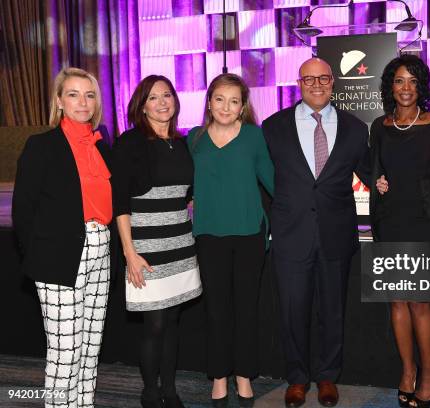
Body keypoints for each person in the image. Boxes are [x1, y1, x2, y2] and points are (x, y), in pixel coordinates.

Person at [262, 57, 369, 408]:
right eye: (310, 79)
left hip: (336, 234)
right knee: (293, 311)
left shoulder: (356, 129)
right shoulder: (273, 126)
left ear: (333, 82)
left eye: (324, 78)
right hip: (291, 235)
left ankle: (327, 377)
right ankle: (297, 378)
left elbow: (372, 174)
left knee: (332, 311)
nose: (317, 84)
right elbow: (262, 180)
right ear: (299, 82)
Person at [12, 67, 113, 407]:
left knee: (90, 346)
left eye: (89, 94)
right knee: (66, 351)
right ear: (59, 100)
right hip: (58, 257)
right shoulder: (42, 145)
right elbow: (23, 211)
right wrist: (41, 258)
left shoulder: (101, 144)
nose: (82, 102)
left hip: (102, 250)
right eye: (73, 94)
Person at [112, 75, 202, 408]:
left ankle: (170, 389)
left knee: (174, 321)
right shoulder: (130, 142)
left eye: (167, 95)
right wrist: (129, 253)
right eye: (153, 97)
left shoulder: (182, 142)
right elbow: (119, 201)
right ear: (142, 105)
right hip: (146, 246)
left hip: (180, 241)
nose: (162, 102)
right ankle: (150, 391)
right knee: (155, 323)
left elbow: (185, 192)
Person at [372, 54, 430, 408]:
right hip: (390, 221)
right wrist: (377, 180)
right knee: (396, 302)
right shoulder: (380, 125)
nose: (406, 88)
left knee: (421, 303)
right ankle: (407, 371)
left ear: (422, 86)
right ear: (390, 86)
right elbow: (373, 167)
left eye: (413, 81)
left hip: (424, 222)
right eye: (399, 81)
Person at [187, 73, 274, 408]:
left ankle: (244, 376)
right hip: (209, 237)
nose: (226, 106)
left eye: (233, 101)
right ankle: (219, 377)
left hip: (249, 235)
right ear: (209, 102)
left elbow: (273, 181)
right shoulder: (194, 139)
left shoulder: (254, 137)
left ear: (242, 107)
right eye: (219, 99)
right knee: (216, 311)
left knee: (246, 310)